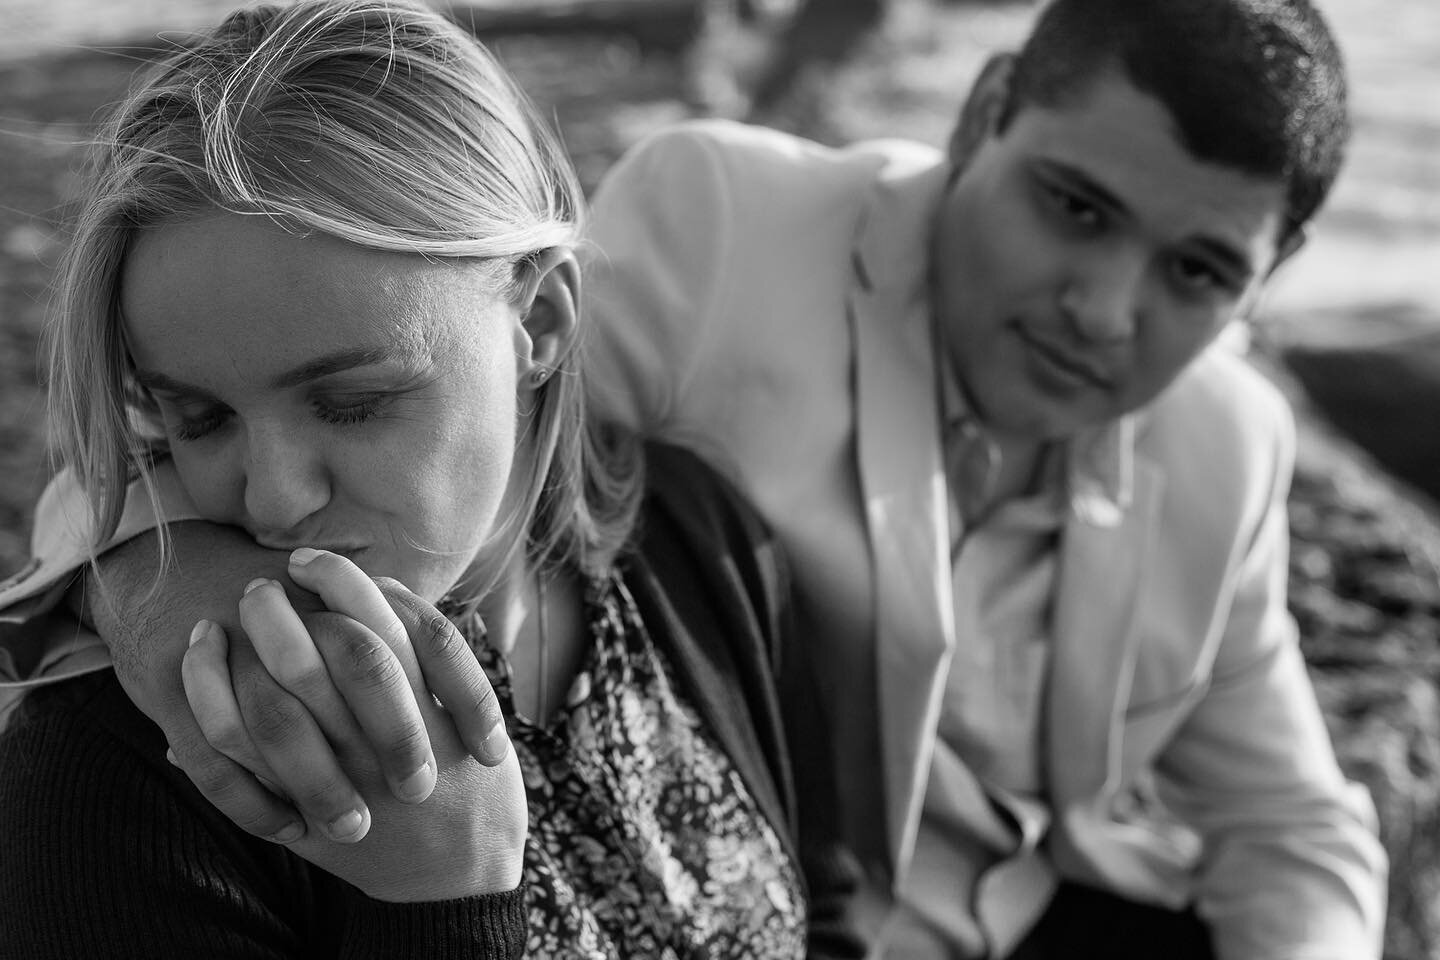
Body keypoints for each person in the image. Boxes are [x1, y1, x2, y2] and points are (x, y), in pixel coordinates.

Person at [0, 0, 1389, 957]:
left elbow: (1293, 819)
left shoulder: (1230, 442)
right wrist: (173, 586)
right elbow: (354, 324)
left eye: (1199, 272)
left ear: (1263, 285)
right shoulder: (730, 238)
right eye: (1074, 206)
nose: (1103, 306)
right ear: (985, 113)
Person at [0, 2, 850, 956]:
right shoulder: (125, 772)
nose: (275, 500)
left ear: (544, 323)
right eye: (198, 419)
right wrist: (441, 897)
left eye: (353, 401)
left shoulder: (694, 534)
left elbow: (831, 906)